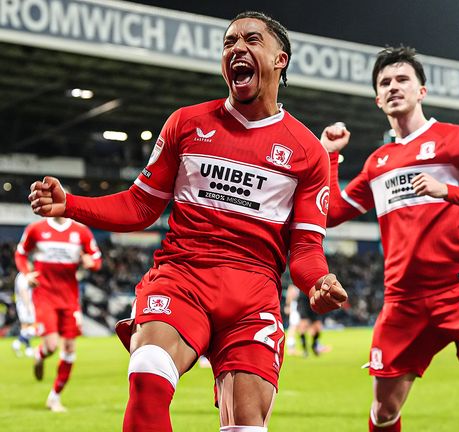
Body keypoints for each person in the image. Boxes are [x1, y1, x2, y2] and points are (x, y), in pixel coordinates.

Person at [28, 11, 347, 432]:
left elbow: (305, 248)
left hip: (253, 296)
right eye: (229, 42)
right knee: (147, 376)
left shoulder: (306, 151)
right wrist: (72, 205)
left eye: (251, 39)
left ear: (279, 59)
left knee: (246, 424)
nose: (237, 48)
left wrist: (317, 282)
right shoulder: (187, 123)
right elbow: (140, 207)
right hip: (182, 279)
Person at [320, 46, 459, 432]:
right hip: (403, 302)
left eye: (403, 79)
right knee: (384, 411)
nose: (393, 86)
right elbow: (333, 213)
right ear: (377, 99)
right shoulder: (377, 163)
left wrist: (446, 191)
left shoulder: (455, 139)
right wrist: (331, 158)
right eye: (385, 82)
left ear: (422, 90)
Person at [14, 216, 102, 412]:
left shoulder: (81, 232)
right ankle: (40, 353)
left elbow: (96, 259)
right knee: (52, 345)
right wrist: (27, 274)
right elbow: (20, 254)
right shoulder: (36, 229)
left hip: (70, 299)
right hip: (44, 296)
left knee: (70, 349)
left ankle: (54, 398)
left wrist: (91, 263)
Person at [11, 272, 36, 358]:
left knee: (25, 328)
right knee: (32, 328)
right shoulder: (22, 276)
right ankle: (17, 343)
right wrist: (28, 306)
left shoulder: (23, 275)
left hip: (23, 304)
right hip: (25, 305)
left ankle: (28, 348)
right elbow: (23, 291)